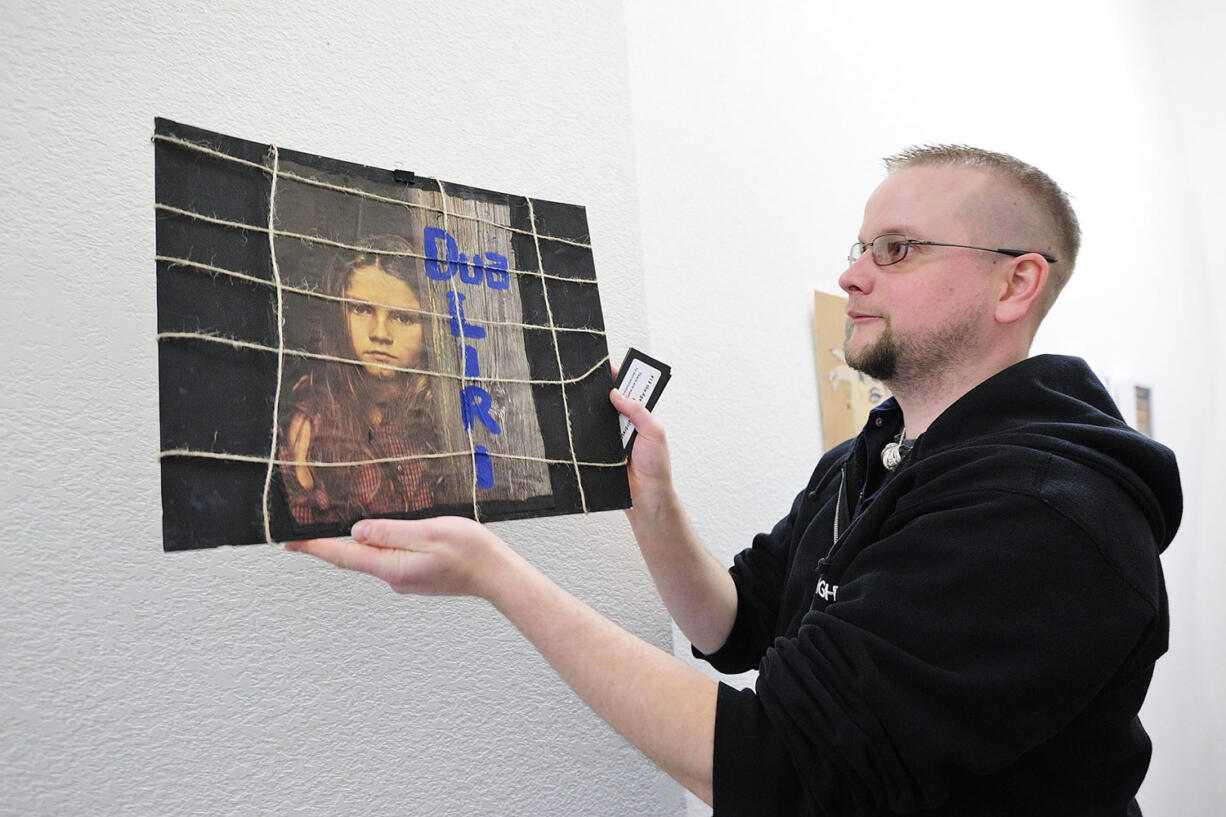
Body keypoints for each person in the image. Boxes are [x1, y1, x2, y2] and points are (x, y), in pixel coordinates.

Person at [284, 146, 1181, 815]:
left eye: (898, 249)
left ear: (1016, 282)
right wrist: (653, 504)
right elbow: (736, 624)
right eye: (861, 244)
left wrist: (496, 574)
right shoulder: (867, 459)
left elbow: (781, 766)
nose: (852, 272)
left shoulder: (1045, 511)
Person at [279, 235, 442, 527]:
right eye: (362, 310)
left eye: (403, 318)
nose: (380, 333)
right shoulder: (314, 426)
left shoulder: (443, 420)